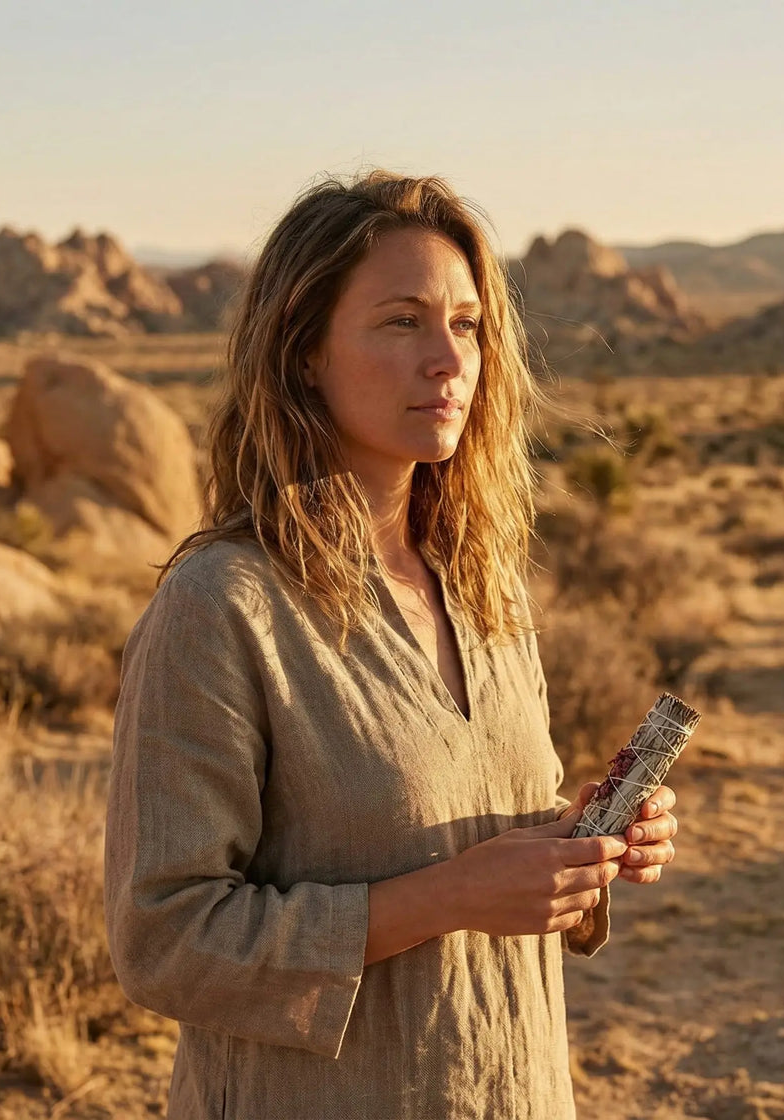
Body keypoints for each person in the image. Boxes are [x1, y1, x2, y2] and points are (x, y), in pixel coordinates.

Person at [104, 171, 681, 1119]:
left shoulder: (484, 587)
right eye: (402, 322)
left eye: (467, 325)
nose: (448, 360)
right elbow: (163, 937)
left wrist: (584, 842)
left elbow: (470, 829)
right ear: (303, 353)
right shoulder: (224, 606)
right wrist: (446, 897)